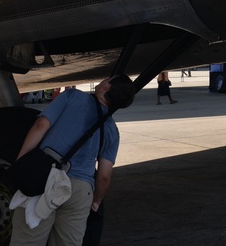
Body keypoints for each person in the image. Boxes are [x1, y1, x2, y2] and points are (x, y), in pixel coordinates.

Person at [10, 75, 136, 246]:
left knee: (28, 241)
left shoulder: (73, 97)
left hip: (45, 180)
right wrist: (97, 201)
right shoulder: (112, 131)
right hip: (80, 191)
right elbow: (105, 176)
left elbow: (40, 125)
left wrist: (21, 162)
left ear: (106, 87)